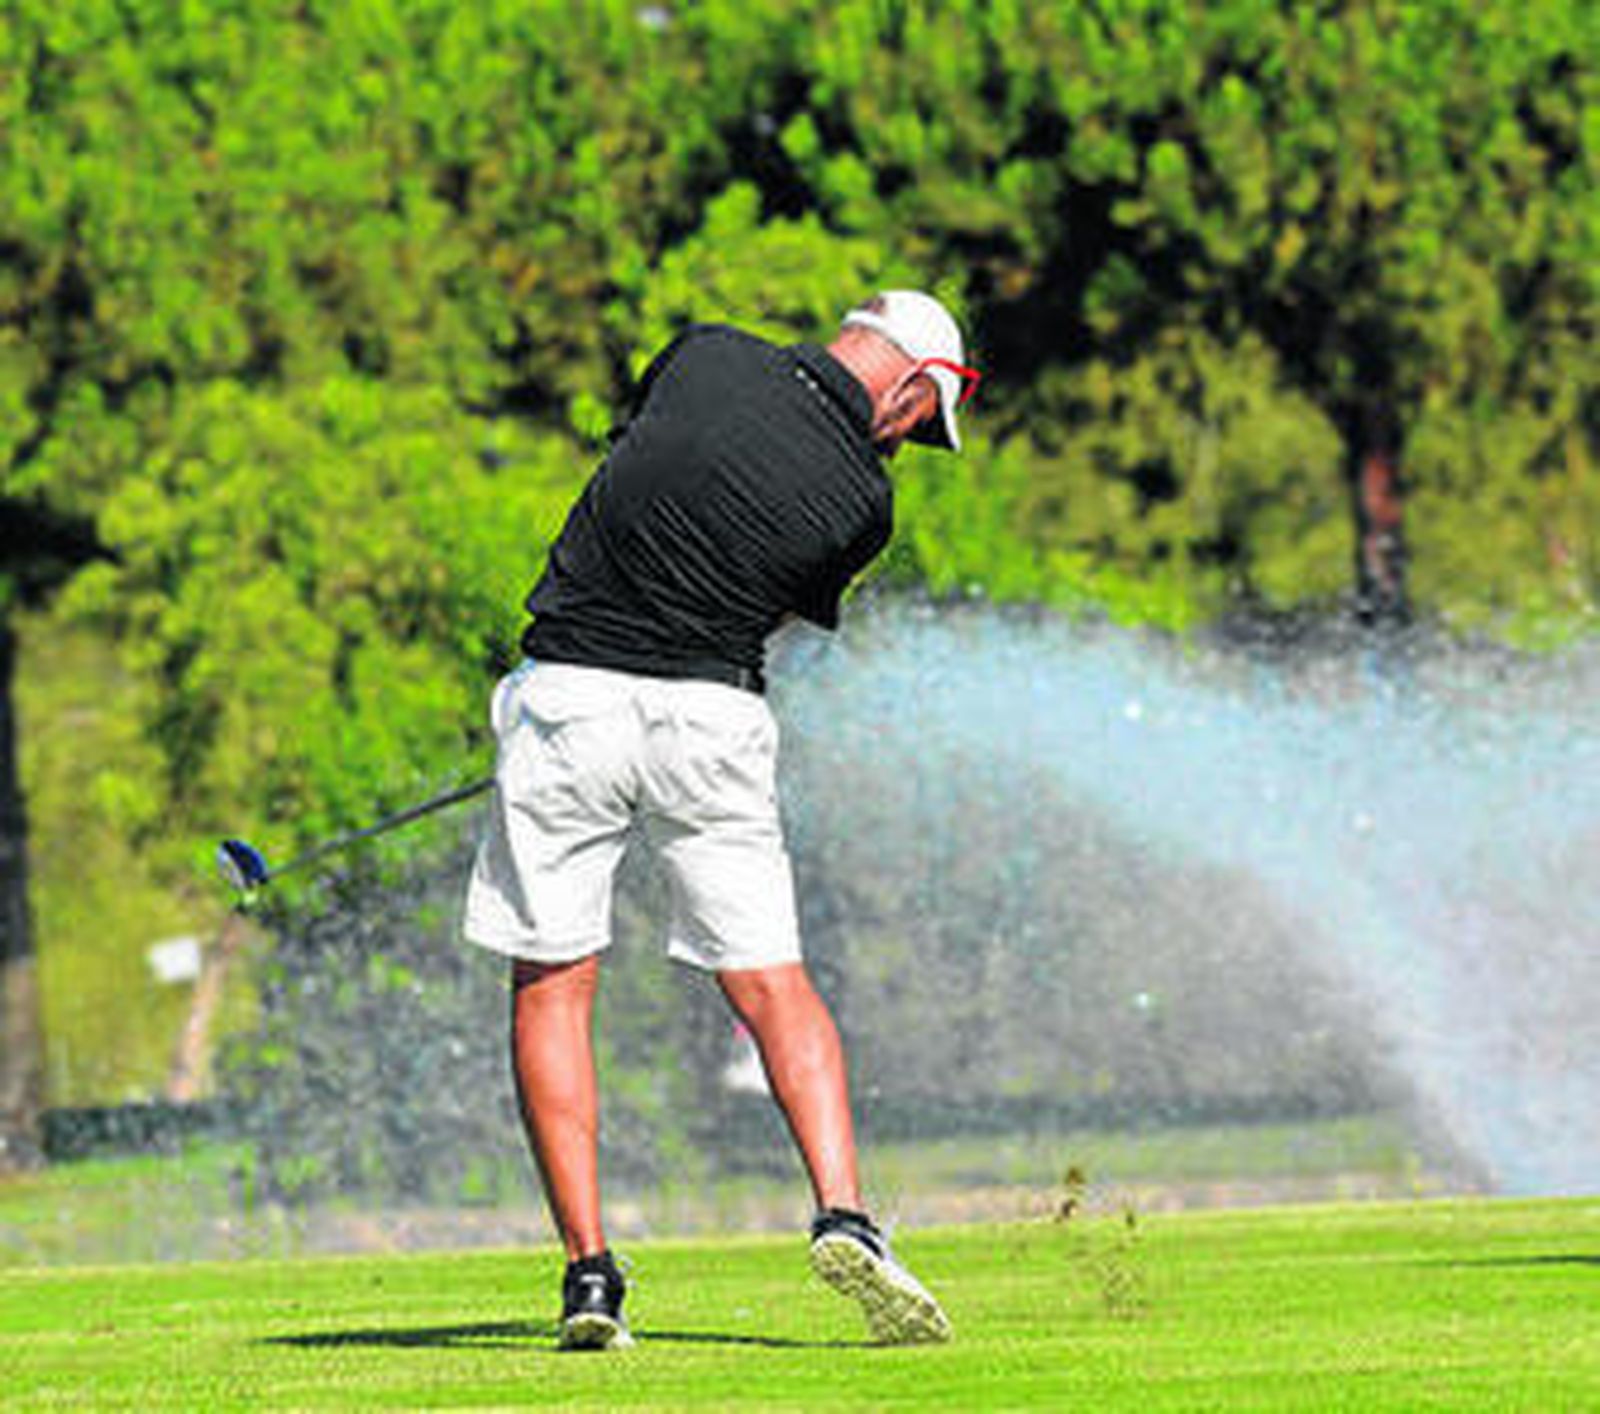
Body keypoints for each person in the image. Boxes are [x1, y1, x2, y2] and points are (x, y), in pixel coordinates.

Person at [463, 290, 980, 1350]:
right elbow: (767, 604)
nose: (910, 443)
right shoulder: (861, 505)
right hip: (709, 716)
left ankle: (589, 1277)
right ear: (914, 384)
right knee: (769, 981)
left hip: (566, 699)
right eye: (921, 423)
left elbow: (643, 470)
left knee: (554, 981)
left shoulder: (703, 355)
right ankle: (845, 1214)